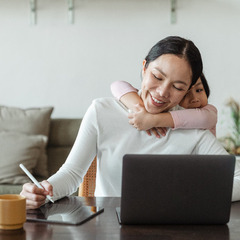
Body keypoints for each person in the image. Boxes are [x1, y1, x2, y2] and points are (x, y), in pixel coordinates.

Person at [20, 36, 240, 209]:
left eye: (178, 87)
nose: (162, 92)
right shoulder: (102, 111)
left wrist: (198, 196)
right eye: (157, 76)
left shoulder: (193, 130)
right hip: (106, 228)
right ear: (144, 68)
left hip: (173, 230)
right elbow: (71, 174)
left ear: (188, 89)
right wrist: (42, 190)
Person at [110, 73, 217, 137]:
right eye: (185, 94)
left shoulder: (208, 111)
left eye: (199, 90)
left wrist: (152, 119)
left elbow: (204, 118)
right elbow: (117, 85)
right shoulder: (170, 109)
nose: (195, 99)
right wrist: (141, 110)